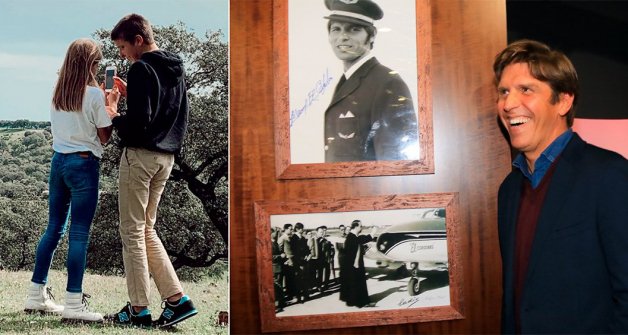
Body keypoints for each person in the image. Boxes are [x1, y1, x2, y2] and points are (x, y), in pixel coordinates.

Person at [493, 39, 628, 333]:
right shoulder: (509, 190)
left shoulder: (608, 175)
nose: (508, 103)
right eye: (503, 91)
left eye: (525, 89)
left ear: (563, 101)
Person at [104, 13, 196, 328]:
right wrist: (133, 92)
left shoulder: (141, 68)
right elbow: (168, 110)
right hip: (165, 158)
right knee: (146, 230)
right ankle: (177, 301)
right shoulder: (175, 67)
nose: (122, 54)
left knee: (132, 231)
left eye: (122, 47)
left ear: (138, 41)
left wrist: (114, 114)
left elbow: (137, 124)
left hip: (141, 158)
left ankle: (138, 309)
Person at [24, 38, 116, 323]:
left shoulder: (58, 93)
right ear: (91, 64)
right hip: (84, 164)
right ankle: (74, 303)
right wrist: (111, 103)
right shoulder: (94, 96)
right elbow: (105, 136)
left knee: (53, 230)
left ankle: (36, 294)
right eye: (97, 63)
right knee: (79, 234)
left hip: (58, 162)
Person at [323, 0, 418, 162]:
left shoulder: (388, 83)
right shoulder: (346, 81)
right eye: (336, 29)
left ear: (372, 35)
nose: (343, 37)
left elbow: (394, 162)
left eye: (354, 29)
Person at [339, 220, 377, 308]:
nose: (361, 228)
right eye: (360, 226)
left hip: (352, 266)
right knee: (359, 284)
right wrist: (372, 233)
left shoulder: (352, 236)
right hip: (355, 266)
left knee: (354, 284)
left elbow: (359, 241)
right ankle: (362, 303)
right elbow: (359, 241)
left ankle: (353, 301)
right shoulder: (352, 237)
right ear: (356, 226)